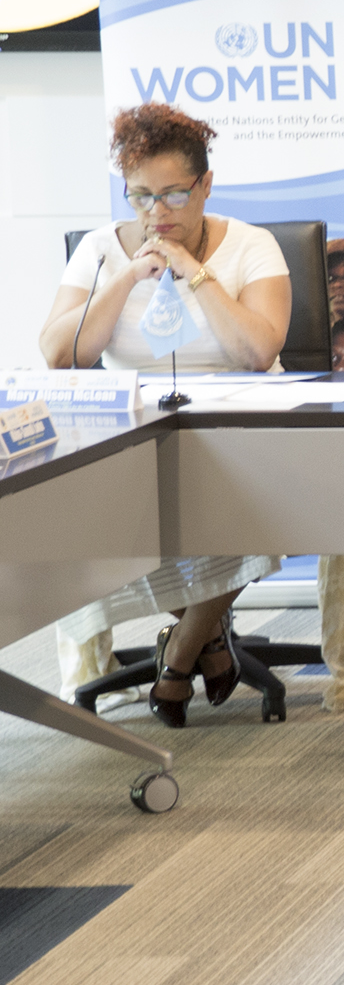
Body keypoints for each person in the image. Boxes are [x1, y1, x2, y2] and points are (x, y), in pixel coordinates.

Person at [39, 104, 294, 725]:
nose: (159, 212)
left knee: (252, 500)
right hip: (137, 427)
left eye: (176, 194)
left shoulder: (252, 245)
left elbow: (260, 351)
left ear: (206, 185)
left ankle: (180, 652)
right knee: (89, 518)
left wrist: (195, 272)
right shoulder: (102, 252)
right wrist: (126, 278)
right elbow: (59, 353)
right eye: (142, 197)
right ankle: (209, 639)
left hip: (243, 425)